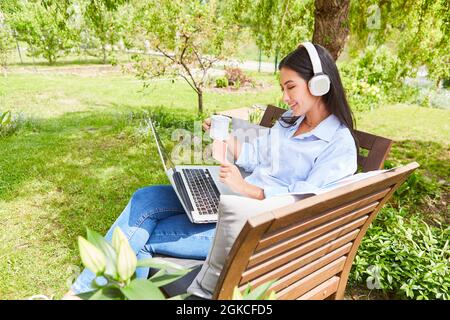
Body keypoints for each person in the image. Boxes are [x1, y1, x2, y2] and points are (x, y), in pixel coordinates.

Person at [64, 43, 358, 298]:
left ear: (319, 83)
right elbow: (256, 156)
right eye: (283, 88)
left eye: (290, 86)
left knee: (140, 237)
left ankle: (79, 296)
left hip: (255, 231)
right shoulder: (291, 123)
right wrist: (225, 140)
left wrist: (249, 190)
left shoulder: (338, 144)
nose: (284, 97)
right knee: (146, 198)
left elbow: (310, 205)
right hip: (233, 202)